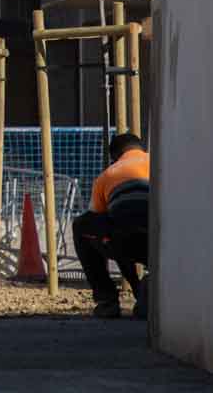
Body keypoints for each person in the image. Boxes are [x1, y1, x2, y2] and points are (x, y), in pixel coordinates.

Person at [73, 132, 151, 319]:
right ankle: (152, 293)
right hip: (161, 241)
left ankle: (107, 300)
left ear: (114, 157)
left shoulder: (106, 175)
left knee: (82, 226)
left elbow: (104, 224)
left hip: (123, 241)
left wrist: (134, 285)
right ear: (142, 149)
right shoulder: (160, 163)